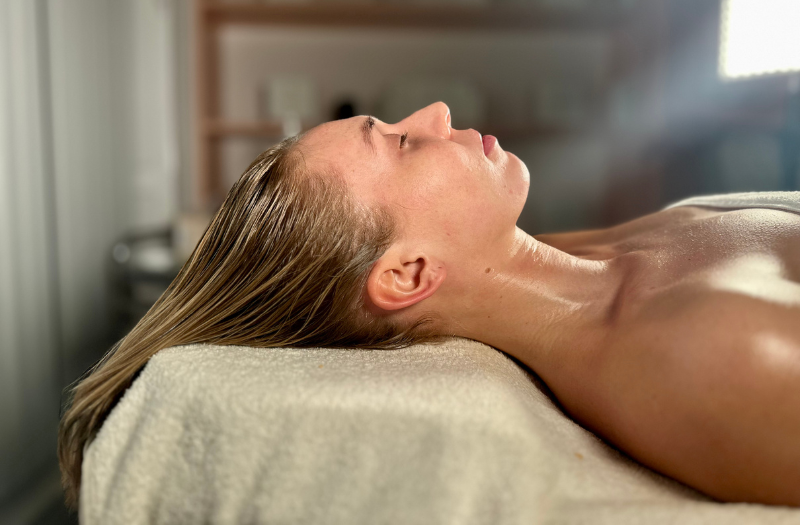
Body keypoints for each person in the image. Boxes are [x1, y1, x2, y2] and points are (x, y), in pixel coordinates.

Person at [58, 102, 800, 511]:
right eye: (404, 143)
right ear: (409, 274)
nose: (437, 112)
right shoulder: (707, 351)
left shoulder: (588, 256)